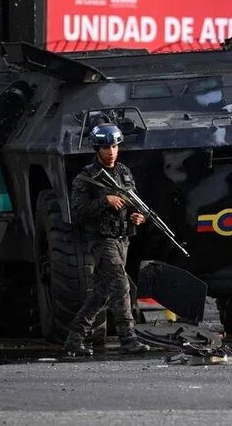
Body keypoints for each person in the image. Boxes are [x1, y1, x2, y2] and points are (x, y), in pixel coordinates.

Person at [64, 122, 150, 356]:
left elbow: (135, 203)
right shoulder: (86, 178)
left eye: (114, 146)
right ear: (97, 149)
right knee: (120, 284)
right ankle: (127, 338)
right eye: (105, 147)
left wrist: (139, 217)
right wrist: (104, 201)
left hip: (122, 238)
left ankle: (75, 337)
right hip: (101, 240)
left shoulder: (123, 172)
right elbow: (77, 212)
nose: (111, 152)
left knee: (102, 292)